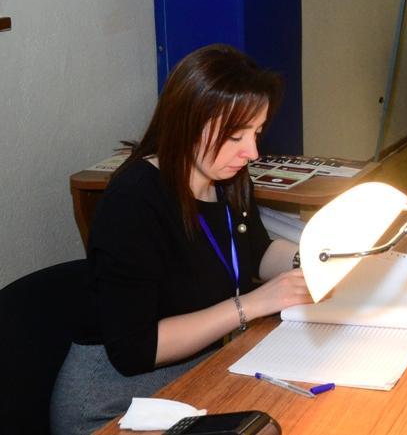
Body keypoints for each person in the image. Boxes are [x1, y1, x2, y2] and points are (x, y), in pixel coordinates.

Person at [51, 44, 312, 434]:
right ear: (187, 123)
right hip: (115, 405)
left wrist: (318, 257)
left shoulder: (226, 177)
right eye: (236, 136)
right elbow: (135, 349)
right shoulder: (134, 200)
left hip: (196, 372)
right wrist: (253, 304)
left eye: (256, 133)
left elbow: (256, 250)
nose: (252, 152)